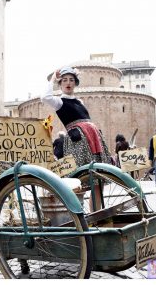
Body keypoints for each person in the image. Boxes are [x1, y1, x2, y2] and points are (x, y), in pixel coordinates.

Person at [41, 66, 111, 209]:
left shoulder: (80, 102)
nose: (68, 83)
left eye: (71, 80)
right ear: (60, 84)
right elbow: (45, 97)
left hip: (93, 140)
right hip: (78, 142)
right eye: (64, 80)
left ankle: (97, 215)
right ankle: (77, 215)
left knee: (98, 181)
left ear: (75, 83)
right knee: (78, 181)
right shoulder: (59, 102)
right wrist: (53, 78)